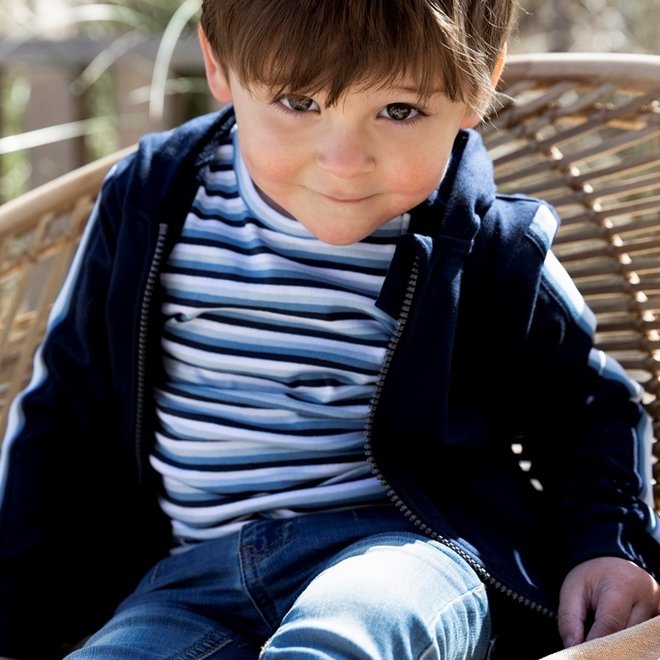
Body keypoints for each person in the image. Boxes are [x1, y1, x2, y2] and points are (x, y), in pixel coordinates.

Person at [0, 1, 659, 658]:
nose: (344, 160)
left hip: (403, 558)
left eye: (399, 110)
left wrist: (608, 545)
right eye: (298, 102)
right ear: (219, 67)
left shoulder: (491, 249)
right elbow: (64, 418)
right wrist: (17, 618)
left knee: (347, 633)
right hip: (190, 579)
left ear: (479, 87)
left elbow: (588, 411)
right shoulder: (152, 204)